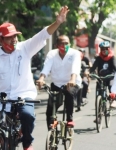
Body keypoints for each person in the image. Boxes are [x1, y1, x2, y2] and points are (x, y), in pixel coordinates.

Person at [0, 6, 69, 150]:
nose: (14, 39)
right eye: (9, 37)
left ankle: (27, 143)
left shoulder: (25, 48)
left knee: (27, 116)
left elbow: (43, 35)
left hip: (23, 95)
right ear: (1, 40)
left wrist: (57, 23)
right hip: (2, 97)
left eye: (15, 36)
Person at [36, 35, 81, 129]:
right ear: (56, 45)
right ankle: (51, 131)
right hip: (56, 83)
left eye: (66, 43)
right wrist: (41, 78)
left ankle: (69, 120)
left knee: (69, 93)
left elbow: (75, 67)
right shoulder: (52, 54)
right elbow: (46, 67)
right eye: (62, 43)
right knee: (50, 108)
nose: (64, 46)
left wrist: (72, 79)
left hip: (71, 82)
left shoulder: (74, 53)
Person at [90, 41, 116, 108]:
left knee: (111, 86)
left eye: (106, 49)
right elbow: (93, 67)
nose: (104, 51)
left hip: (110, 77)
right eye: (102, 49)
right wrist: (89, 72)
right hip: (101, 77)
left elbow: (115, 67)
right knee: (98, 89)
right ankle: (99, 110)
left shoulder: (112, 57)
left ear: (109, 49)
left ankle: (113, 100)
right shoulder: (99, 58)